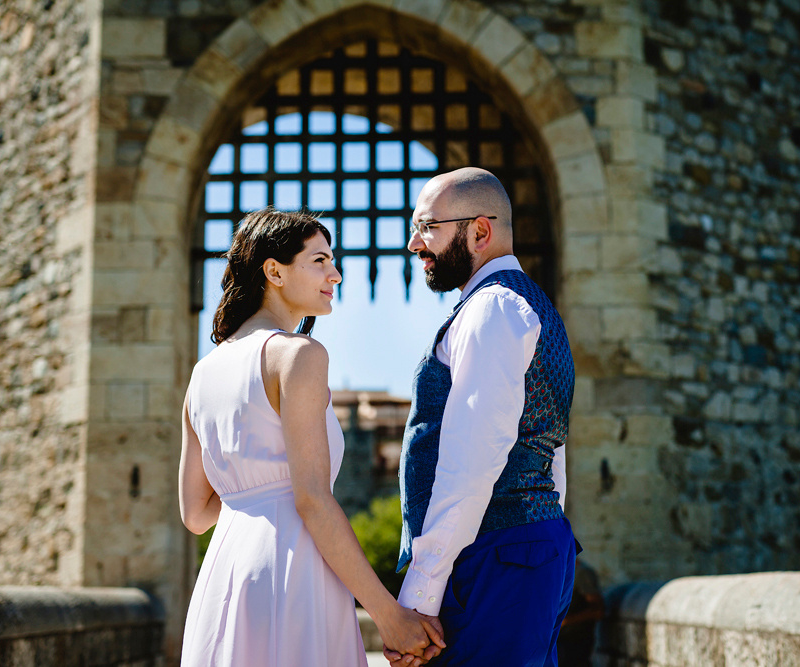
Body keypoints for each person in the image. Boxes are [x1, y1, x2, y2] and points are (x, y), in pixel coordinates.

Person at [178, 208, 444, 666]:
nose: (335, 274)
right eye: (319, 261)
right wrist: (388, 614)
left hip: (227, 572)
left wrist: (255, 481)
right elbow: (312, 500)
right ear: (274, 271)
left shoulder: (202, 373)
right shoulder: (297, 355)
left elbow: (196, 514)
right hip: (292, 565)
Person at [384, 168, 579, 666]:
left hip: (494, 557)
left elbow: (468, 467)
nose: (413, 244)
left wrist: (418, 597)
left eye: (427, 227)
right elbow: (551, 453)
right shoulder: (533, 306)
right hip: (532, 546)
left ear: (479, 231)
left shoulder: (492, 310)